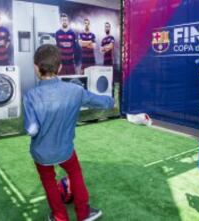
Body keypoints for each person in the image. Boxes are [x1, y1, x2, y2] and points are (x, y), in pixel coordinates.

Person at [23, 44, 114, 221]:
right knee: (75, 173)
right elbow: (105, 103)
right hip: (65, 150)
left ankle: (59, 216)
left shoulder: (30, 96)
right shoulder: (75, 91)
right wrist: (111, 100)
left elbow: (31, 129)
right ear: (59, 67)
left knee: (48, 181)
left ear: (36, 67)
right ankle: (84, 214)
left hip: (41, 153)